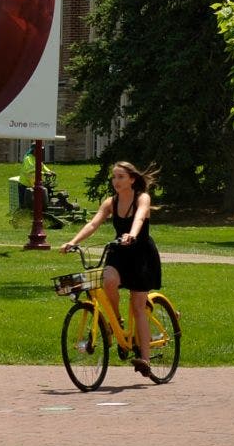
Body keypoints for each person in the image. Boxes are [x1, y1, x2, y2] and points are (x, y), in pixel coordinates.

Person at [62, 162, 165, 380]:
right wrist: (73, 242)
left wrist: (132, 234)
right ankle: (116, 321)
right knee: (107, 279)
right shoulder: (111, 202)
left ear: (132, 179)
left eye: (120, 177)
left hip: (141, 255)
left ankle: (145, 360)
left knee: (138, 307)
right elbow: (93, 224)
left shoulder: (142, 198)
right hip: (119, 252)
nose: (116, 181)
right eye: (114, 177)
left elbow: (139, 218)